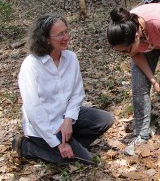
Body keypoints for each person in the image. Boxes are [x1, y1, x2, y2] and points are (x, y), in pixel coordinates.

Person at [12, 13, 114, 164]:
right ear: (46, 39)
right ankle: (26, 146)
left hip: (64, 117)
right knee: (84, 161)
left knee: (105, 120)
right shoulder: (31, 65)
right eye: (60, 34)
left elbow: (77, 94)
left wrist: (68, 120)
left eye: (66, 31)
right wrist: (58, 143)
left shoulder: (70, 58)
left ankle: (71, 146)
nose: (66, 37)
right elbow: (34, 111)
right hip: (44, 126)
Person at [106, 3, 160, 155]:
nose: (124, 54)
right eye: (120, 52)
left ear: (136, 37)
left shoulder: (159, 21)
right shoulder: (126, 30)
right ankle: (141, 134)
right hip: (150, 41)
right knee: (139, 85)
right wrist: (153, 80)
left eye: (125, 51)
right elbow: (134, 54)